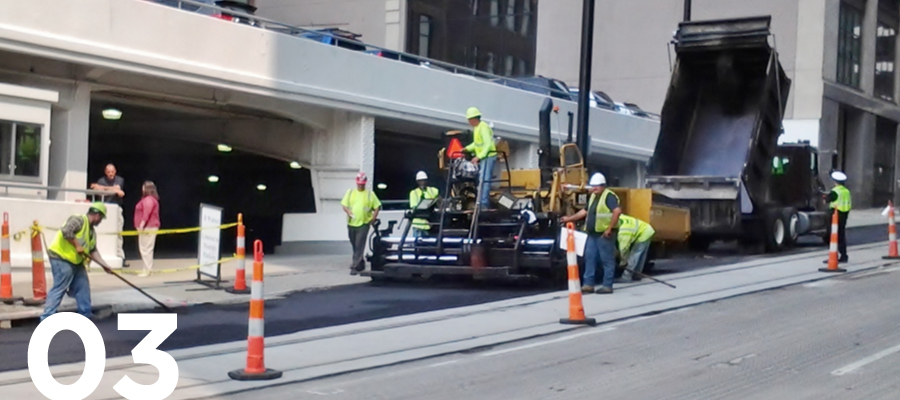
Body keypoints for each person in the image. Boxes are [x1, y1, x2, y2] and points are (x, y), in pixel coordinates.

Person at [41, 203, 115, 321]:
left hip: (76, 262)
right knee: (59, 287)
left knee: (83, 287)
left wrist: (105, 266)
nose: (100, 221)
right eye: (101, 218)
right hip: (61, 258)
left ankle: (85, 314)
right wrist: (77, 245)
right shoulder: (78, 220)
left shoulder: (91, 232)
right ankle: (46, 318)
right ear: (97, 215)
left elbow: (92, 251)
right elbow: (66, 231)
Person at [560, 172, 622, 294]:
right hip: (592, 233)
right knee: (590, 258)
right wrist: (569, 218)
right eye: (593, 186)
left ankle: (607, 285)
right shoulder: (593, 196)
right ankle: (588, 284)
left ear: (603, 186)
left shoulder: (609, 196)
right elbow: (584, 211)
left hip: (604, 234)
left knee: (607, 260)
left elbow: (617, 211)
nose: (594, 188)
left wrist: (609, 228)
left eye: (597, 186)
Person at [341, 172, 382, 275]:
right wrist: (348, 212)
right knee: (354, 244)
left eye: (362, 184)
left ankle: (354, 266)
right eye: (359, 184)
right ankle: (360, 262)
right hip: (351, 223)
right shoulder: (350, 193)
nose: (361, 185)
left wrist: (373, 218)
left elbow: (377, 206)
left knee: (359, 244)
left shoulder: (369, 194)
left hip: (364, 223)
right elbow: (344, 205)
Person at [90, 164, 126, 265]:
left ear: (115, 171)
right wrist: (112, 189)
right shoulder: (102, 180)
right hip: (104, 209)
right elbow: (97, 191)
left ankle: (120, 256)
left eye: (112, 171)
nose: (111, 174)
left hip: (117, 209)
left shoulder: (120, 179)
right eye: (109, 172)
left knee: (118, 232)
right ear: (105, 172)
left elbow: (117, 188)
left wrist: (101, 188)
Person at [463, 107, 497, 210]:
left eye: (469, 119)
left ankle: (483, 204)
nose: (468, 122)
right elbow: (477, 143)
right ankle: (480, 201)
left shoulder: (483, 127)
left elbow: (487, 144)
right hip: (484, 157)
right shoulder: (477, 128)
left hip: (488, 157)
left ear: (474, 119)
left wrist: (479, 156)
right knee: (482, 179)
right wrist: (467, 148)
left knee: (485, 179)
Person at [616, 214, 655, 283]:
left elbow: (624, 249)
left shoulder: (623, 232)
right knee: (641, 256)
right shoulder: (619, 216)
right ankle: (637, 275)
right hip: (648, 229)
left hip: (644, 233)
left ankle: (626, 277)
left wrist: (623, 262)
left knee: (634, 255)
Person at [824, 170, 851, 263]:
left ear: (835, 181)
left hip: (835, 215)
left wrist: (825, 197)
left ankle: (834, 255)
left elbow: (827, 200)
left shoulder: (835, 191)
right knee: (841, 236)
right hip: (844, 215)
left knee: (833, 236)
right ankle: (843, 255)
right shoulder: (846, 191)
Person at [134, 181, 160, 277]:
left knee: (146, 249)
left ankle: (147, 270)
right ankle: (147, 268)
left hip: (148, 228)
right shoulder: (150, 199)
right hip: (149, 227)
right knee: (147, 249)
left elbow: (146, 213)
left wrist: (141, 224)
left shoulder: (149, 200)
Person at [409, 171, 440, 237]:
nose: (422, 182)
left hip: (430, 225)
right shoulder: (414, 193)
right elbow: (415, 208)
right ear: (417, 182)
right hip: (418, 225)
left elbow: (440, 201)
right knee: (418, 245)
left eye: (424, 180)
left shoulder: (433, 190)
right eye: (420, 181)